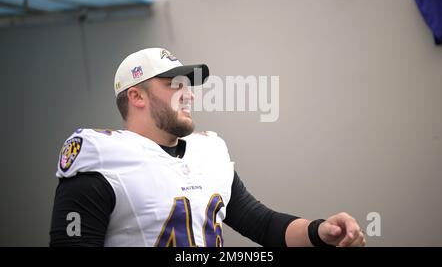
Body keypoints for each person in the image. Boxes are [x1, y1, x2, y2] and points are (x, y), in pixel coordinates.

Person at [49, 47, 366, 247]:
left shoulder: (208, 153)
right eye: (174, 84)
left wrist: (320, 231)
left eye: (188, 85)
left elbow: (262, 223)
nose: (188, 94)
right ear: (137, 96)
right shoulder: (101, 158)